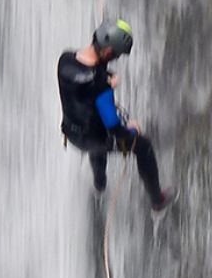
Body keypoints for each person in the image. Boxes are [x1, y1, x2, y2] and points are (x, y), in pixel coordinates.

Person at [57, 18, 177, 212]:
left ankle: (99, 185)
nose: (116, 59)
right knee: (142, 146)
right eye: (116, 55)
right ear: (107, 51)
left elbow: (87, 76)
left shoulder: (65, 61)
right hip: (94, 140)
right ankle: (157, 200)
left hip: (71, 134)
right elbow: (113, 126)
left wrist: (105, 77)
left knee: (96, 137)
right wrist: (131, 131)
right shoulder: (101, 87)